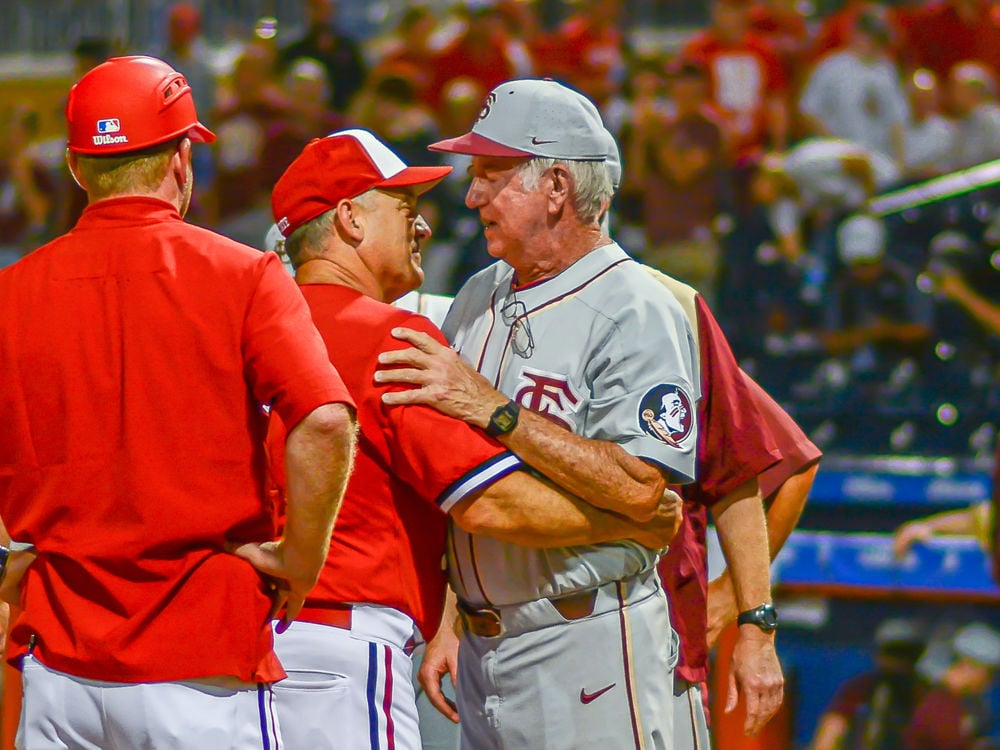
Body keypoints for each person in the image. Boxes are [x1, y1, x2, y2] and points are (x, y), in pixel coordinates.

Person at [265, 129, 683, 750]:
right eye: (405, 209)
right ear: (350, 219)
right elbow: (492, 502)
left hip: (243, 649)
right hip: (343, 648)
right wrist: (626, 524)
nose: (426, 226)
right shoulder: (384, 335)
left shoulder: (242, 327)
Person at [0, 55, 358, 748]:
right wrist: (300, 559)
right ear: (183, 158)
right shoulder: (243, 273)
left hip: (58, 663)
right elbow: (323, 420)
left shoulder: (12, 293)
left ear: (78, 168)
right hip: (201, 659)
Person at [377, 78, 700, 749]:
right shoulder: (478, 293)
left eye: (491, 176)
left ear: (556, 186)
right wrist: (448, 622)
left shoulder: (635, 306)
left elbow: (645, 486)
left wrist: (496, 412)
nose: (471, 198)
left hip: (585, 641)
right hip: (483, 643)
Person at [798, 7, 909, 161]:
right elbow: (809, 111)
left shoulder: (886, 70)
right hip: (840, 159)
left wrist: (900, 161)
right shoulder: (831, 67)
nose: (876, 46)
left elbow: (896, 119)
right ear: (858, 35)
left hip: (879, 159)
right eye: (872, 38)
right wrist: (835, 147)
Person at [809, 618, 928, 750]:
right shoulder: (861, 689)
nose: (899, 661)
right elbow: (832, 729)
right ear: (879, 654)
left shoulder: (925, 694)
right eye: (892, 653)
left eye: (906, 654)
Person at [902, 622, 1000, 750]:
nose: (989, 682)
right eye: (989, 673)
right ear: (968, 666)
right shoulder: (941, 706)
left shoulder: (961, 703)